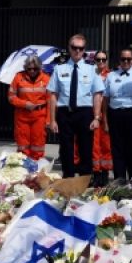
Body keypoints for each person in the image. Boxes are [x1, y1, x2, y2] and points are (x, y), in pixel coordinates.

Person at [46, 34, 104, 178]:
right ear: (69, 48)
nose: (77, 51)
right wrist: (52, 120)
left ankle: (85, 179)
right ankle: (68, 177)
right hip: (65, 112)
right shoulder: (59, 69)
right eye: (74, 48)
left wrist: (96, 117)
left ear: (84, 50)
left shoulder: (92, 69)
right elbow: (53, 95)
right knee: (66, 148)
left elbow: (97, 95)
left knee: (86, 147)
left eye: (81, 48)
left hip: (84, 113)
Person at [103, 48, 132, 182]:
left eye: (129, 59)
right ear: (119, 60)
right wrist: (105, 121)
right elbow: (105, 100)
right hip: (115, 115)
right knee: (117, 150)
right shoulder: (111, 76)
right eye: (123, 59)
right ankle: (119, 181)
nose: (126, 62)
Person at [8, 56, 50, 159]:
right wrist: (24, 104)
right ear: (25, 67)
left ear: (39, 68)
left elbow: (50, 101)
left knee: (38, 145)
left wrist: (49, 120)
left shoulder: (46, 78)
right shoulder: (18, 77)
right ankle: (23, 169)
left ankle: (37, 167)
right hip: (22, 116)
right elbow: (11, 97)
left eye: (35, 69)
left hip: (40, 116)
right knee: (22, 146)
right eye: (29, 69)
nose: (32, 71)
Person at [92, 51, 113, 186]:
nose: (101, 62)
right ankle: (95, 173)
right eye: (98, 60)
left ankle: (104, 174)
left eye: (103, 60)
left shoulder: (111, 75)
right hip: (93, 113)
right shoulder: (91, 75)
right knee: (94, 145)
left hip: (106, 114)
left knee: (106, 145)